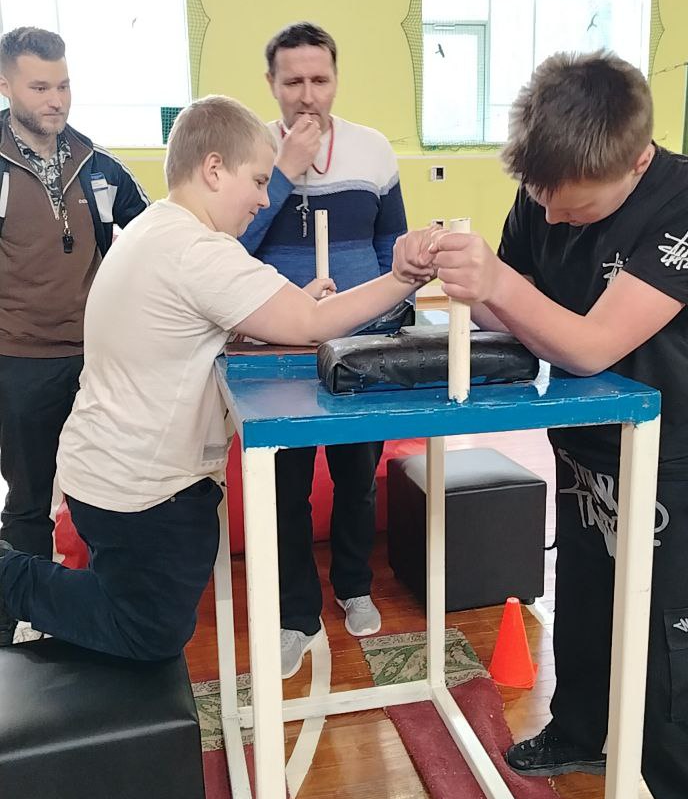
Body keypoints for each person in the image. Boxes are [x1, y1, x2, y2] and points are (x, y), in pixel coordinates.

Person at [395, 50, 688, 799]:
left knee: (671, 667)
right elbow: (515, 306)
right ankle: (579, 731)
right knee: (581, 601)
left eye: (571, 205)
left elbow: (589, 343)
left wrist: (497, 284)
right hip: (587, 445)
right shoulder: (547, 186)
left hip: (677, 458)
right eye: (539, 197)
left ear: (636, 160)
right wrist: (446, 271)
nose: (549, 216)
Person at [0, 96, 429, 663]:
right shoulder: (197, 250)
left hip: (107, 471)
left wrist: (281, 309)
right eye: (258, 180)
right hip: (138, 486)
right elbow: (311, 323)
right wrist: (404, 276)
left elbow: (208, 320)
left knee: (145, 617)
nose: (263, 198)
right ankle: (10, 580)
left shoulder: (157, 228)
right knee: (151, 631)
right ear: (214, 169)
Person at [240, 21, 409, 679]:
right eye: (293, 82)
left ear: (336, 79)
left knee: (357, 478)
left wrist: (392, 322)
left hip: (363, 345)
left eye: (319, 79)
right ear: (271, 84)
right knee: (285, 488)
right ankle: (295, 614)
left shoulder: (372, 149)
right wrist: (282, 171)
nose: (307, 95)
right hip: (277, 349)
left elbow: (393, 247)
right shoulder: (251, 150)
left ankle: (354, 585)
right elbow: (230, 248)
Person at [0, 26, 149, 607]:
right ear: (6, 85)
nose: (56, 100)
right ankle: (24, 618)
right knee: (29, 501)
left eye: (63, 85)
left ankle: (104, 610)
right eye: (39, 88)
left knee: (107, 492)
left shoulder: (98, 165)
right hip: (19, 361)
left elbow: (156, 239)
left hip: (95, 361)